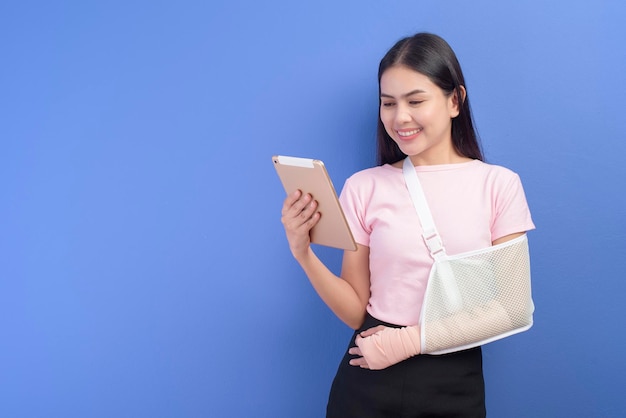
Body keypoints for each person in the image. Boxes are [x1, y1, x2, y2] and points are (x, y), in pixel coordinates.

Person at [280, 32, 535, 417]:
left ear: (454, 100)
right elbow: (355, 310)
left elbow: (513, 307)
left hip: (452, 379)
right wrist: (303, 254)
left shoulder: (498, 185)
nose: (400, 117)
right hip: (367, 374)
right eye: (388, 103)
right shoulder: (364, 186)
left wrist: (407, 342)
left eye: (416, 101)